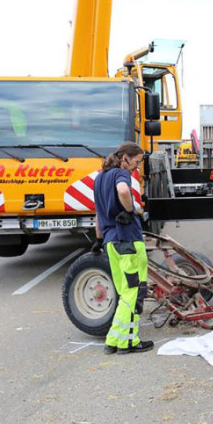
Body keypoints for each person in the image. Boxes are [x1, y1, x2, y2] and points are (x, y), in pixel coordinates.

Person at [91, 141, 153, 355]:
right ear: (125, 157)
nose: (138, 167)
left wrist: (98, 238)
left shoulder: (99, 179)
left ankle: (116, 341)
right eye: (137, 161)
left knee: (124, 292)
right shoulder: (121, 174)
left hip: (110, 242)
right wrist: (129, 210)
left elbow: (98, 213)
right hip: (127, 240)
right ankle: (126, 341)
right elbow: (123, 191)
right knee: (133, 292)